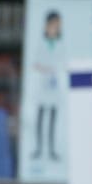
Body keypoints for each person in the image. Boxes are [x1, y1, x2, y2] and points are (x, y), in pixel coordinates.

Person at [31, 10, 63, 161]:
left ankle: (51, 150)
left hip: (55, 86)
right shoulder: (41, 43)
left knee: (52, 119)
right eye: (53, 25)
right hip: (43, 84)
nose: (55, 28)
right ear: (46, 26)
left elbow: (63, 62)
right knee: (40, 117)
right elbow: (36, 63)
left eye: (57, 26)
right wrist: (47, 69)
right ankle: (38, 148)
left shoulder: (60, 44)